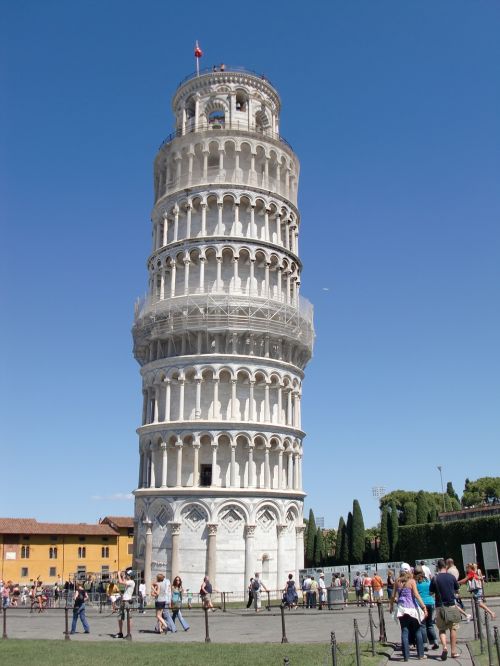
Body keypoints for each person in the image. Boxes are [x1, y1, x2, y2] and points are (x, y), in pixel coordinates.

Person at [390, 563, 428, 661]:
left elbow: (393, 596)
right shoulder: (412, 581)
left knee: (404, 631)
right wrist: (423, 607)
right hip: (412, 609)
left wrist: (391, 607)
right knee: (417, 631)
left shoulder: (397, 581)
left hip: (402, 610)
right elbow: (416, 595)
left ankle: (406, 656)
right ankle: (420, 654)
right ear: (409, 571)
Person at [429, 559, 461, 660]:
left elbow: (430, 593)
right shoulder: (451, 577)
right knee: (453, 628)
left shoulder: (435, 578)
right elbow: (457, 591)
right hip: (451, 605)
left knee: (442, 629)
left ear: (437, 567)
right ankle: (454, 651)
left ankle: (445, 647)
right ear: (445, 566)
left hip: (440, 606)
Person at [414, 565, 439, 650]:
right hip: (430, 602)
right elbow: (432, 592)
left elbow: (414, 595)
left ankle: (425, 644)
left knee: (422, 625)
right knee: (430, 624)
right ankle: (435, 641)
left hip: (421, 604)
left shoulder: (416, 583)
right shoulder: (428, 581)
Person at [112, 569, 135, 639]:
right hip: (124, 601)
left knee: (129, 618)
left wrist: (119, 574)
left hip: (127, 602)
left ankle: (129, 634)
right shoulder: (128, 581)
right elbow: (123, 581)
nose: (126, 576)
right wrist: (123, 576)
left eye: (127, 575)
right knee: (120, 617)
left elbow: (121, 582)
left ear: (130, 576)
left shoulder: (131, 582)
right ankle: (120, 632)